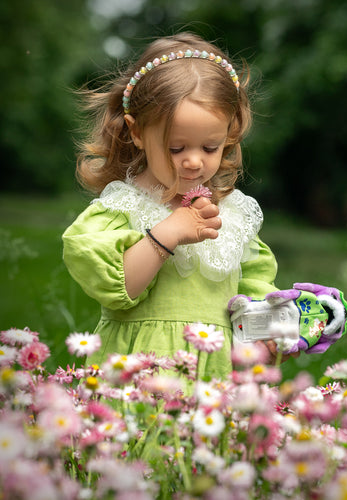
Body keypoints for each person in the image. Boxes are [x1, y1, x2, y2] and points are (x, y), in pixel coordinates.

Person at [62, 32, 289, 381]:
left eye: (210, 147)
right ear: (137, 133)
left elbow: (257, 287)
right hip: (144, 370)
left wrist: (271, 335)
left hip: (215, 376)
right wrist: (168, 233)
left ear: (229, 134)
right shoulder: (124, 207)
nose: (194, 162)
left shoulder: (233, 215)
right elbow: (119, 288)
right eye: (176, 148)